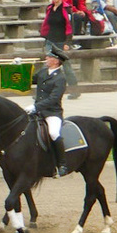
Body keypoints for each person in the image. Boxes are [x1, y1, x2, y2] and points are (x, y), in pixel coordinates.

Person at [32, 47, 69, 175]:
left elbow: (54, 99)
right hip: (38, 110)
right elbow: (30, 79)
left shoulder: (60, 78)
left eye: (49, 57)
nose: (46, 58)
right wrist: (19, 67)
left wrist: (36, 107)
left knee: (53, 133)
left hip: (52, 112)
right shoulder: (43, 72)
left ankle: (62, 164)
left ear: (56, 61)